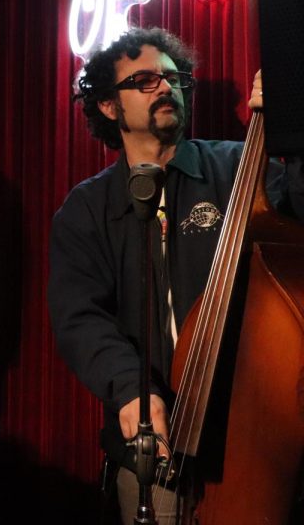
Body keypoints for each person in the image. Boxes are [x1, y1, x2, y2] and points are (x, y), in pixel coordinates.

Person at [47, 27, 304, 523]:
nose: (166, 88)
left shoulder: (236, 170)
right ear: (107, 105)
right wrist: (130, 390)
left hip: (245, 442)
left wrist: (293, 130)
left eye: (173, 77)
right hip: (151, 453)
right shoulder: (86, 209)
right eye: (144, 81)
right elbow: (79, 318)